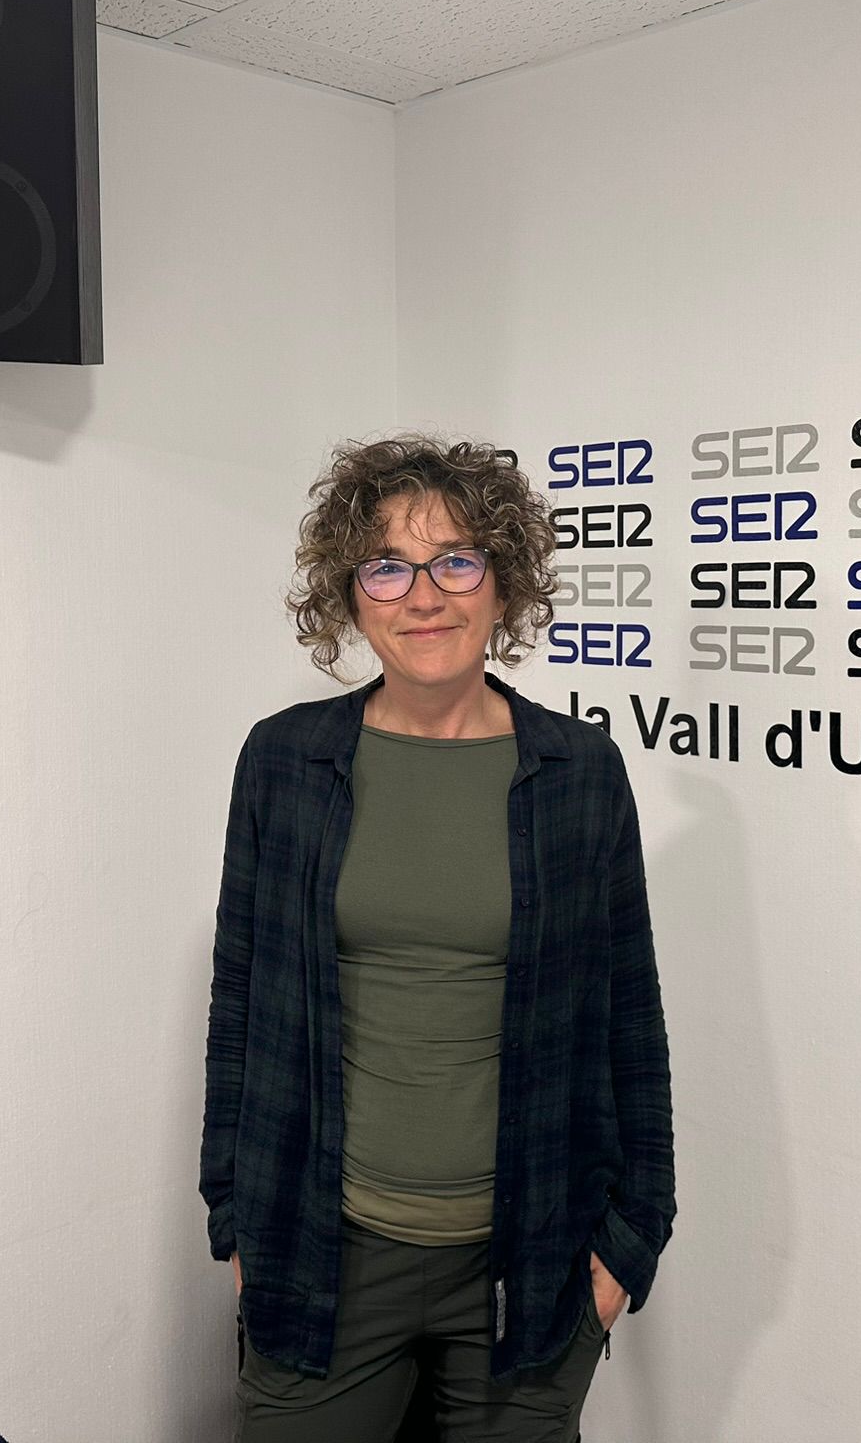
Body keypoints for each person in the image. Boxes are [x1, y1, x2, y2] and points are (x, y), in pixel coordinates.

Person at [200, 433, 676, 1441]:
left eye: (455, 561)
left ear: (503, 584)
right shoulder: (285, 762)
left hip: (530, 1261)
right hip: (323, 1253)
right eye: (387, 566)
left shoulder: (578, 772)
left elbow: (630, 1018)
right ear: (350, 594)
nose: (423, 596)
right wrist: (235, 1217)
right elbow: (240, 998)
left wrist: (631, 1243)